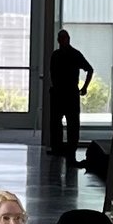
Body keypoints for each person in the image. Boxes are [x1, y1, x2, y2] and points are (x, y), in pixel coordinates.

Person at [47, 28, 92, 159]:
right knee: (68, 123)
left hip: (61, 92)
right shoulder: (73, 54)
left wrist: (84, 87)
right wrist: (84, 87)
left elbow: (89, 70)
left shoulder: (57, 55)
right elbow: (89, 70)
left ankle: (60, 148)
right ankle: (68, 149)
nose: (61, 41)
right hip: (69, 93)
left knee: (59, 122)